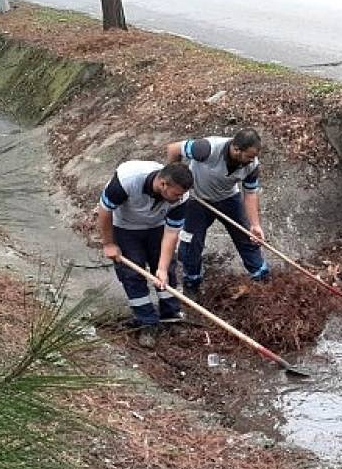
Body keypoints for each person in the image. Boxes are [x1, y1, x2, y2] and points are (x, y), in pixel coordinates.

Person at [98, 160, 193, 348]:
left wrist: (162, 269)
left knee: (168, 272)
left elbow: (172, 232)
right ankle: (147, 321)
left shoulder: (181, 197)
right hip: (125, 227)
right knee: (132, 274)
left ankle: (171, 314)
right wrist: (109, 243)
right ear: (163, 184)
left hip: (156, 227)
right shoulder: (128, 180)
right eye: (175, 194)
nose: (178, 198)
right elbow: (105, 210)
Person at [166, 128, 269, 295]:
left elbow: (250, 194)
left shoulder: (252, 165)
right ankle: (191, 281)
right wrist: (177, 183)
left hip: (228, 198)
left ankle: (260, 275)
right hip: (197, 199)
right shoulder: (206, 148)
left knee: (247, 236)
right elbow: (174, 149)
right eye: (249, 156)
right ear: (236, 150)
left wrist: (255, 225)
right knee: (191, 242)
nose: (252, 160)